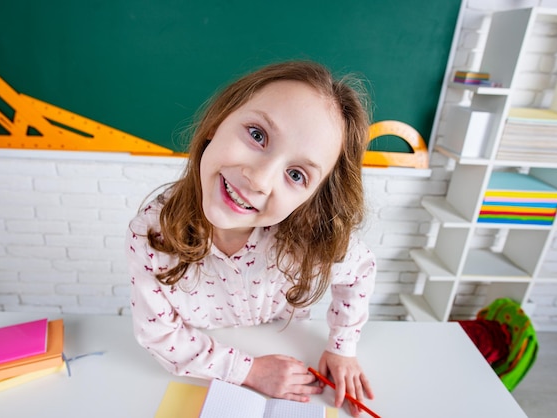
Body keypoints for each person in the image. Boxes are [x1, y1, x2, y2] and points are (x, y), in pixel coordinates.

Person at [127, 61, 376, 417]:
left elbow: (360, 271)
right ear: (217, 122)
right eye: (257, 135)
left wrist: (342, 346)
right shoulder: (152, 234)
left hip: (286, 345)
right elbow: (161, 336)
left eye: (296, 174)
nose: (259, 180)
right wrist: (250, 370)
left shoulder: (309, 235)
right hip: (202, 368)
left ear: (312, 198)